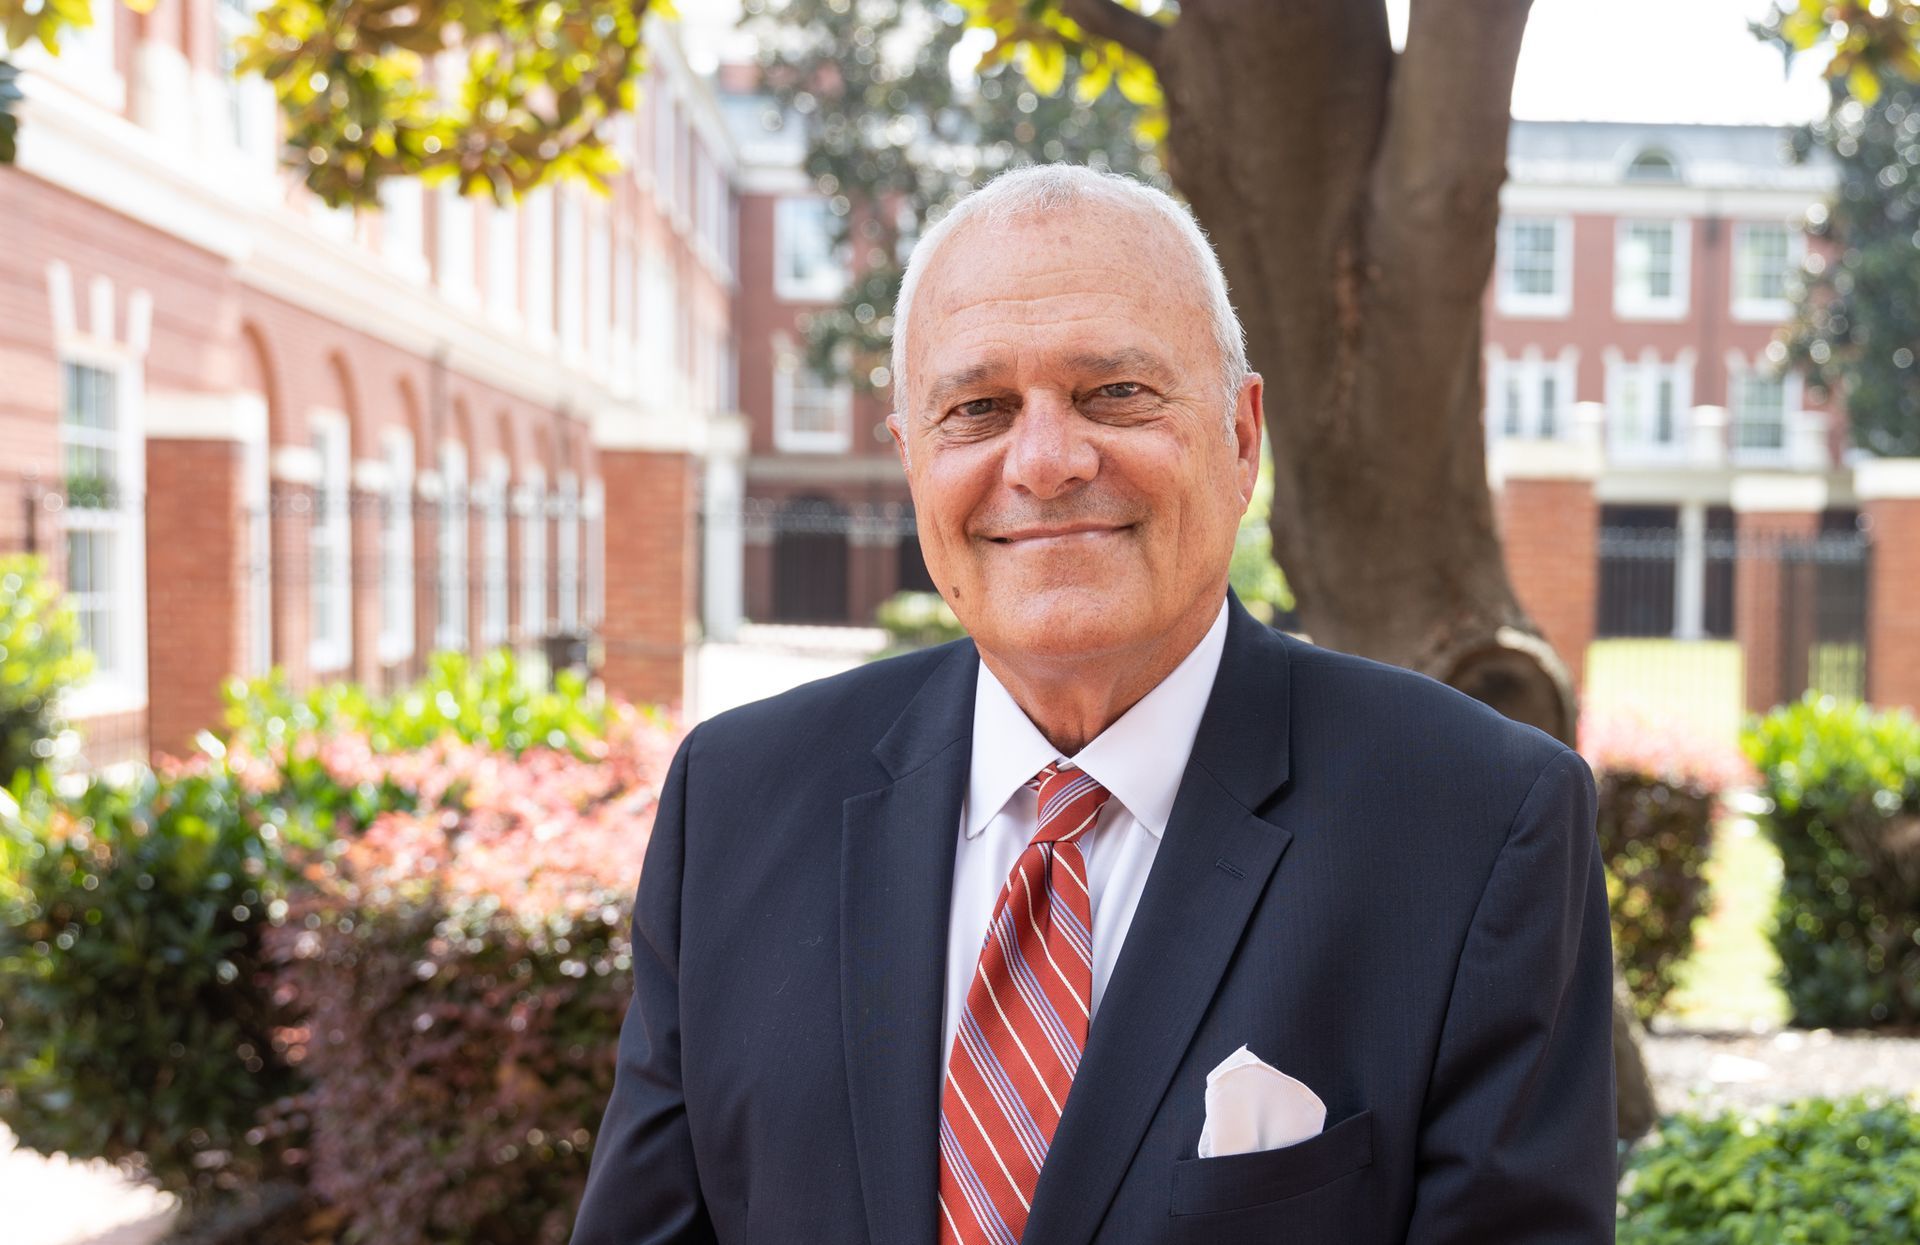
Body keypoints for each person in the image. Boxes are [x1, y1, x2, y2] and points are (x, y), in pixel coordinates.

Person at [569, 164, 1615, 1245]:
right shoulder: (735, 802)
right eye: (977, 409)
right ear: (912, 459)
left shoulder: (1479, 823)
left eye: (1115, 393)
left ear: (1242, 434)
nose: (1047, 461)